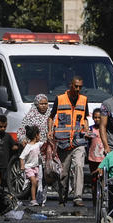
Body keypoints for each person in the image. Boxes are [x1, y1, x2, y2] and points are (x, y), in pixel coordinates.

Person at [48, 76, 89, 207]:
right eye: (76, 86)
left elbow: (85, 118)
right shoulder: (60, 99)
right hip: (63, 142)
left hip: (78, 141)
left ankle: (77, 197)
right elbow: (51, 117)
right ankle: (62, 196)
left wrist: (86, 128)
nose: (78, 89)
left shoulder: (83, 100)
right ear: (70, 85)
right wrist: (49, 131)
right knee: (63, 173)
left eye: (80, 87)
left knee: (79, 166)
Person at [19, 125, 44, 206]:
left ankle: (34, 197)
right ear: (36, 135)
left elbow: (45, 144)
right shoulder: (28, 146)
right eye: (39, 134)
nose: (40, 136)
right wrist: (22, 166)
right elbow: (21, 157)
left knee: (36, 183)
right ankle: (33, 200)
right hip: (29, 167)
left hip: (36, 167)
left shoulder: (39, 144)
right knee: (33, 182)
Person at [87, 108, 106, 205]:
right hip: (93, 158)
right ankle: (94, 200)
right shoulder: (91, 129)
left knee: (104, 180)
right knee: (94, 180)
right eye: (95, 117)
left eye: (99, 117)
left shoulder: (106, 130)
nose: (97, 119)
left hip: (103, 159)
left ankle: (103, 200)